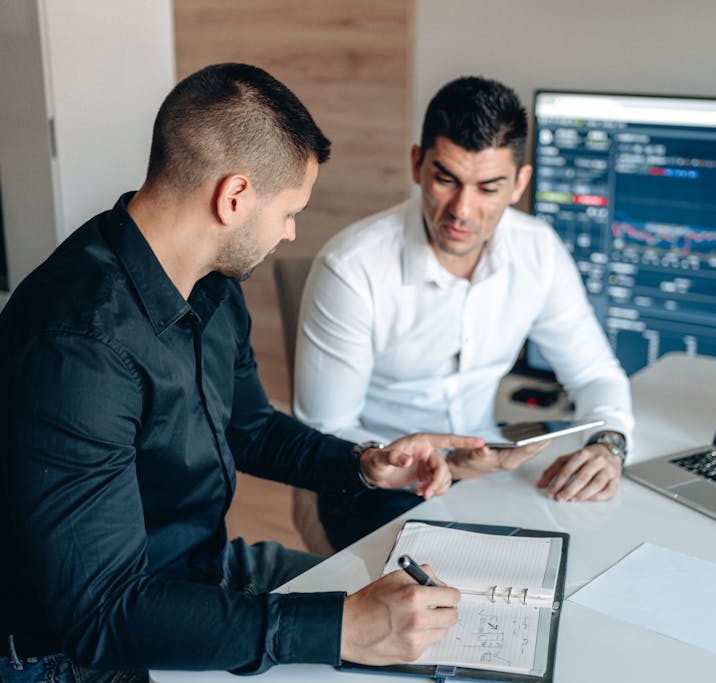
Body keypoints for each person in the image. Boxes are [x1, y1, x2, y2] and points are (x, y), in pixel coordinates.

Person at [0, 63, 484, 683]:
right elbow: (103, 616)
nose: (288, 233)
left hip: (195, 569)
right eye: (288, 211)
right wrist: (341, 627)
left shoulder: (212, 283)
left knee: (443, 647)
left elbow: (250, 428)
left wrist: (363, 463)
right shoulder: (77, 345)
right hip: (70, 648)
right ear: (233, 197)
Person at [293, 76, 634, 551]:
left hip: (484, 469)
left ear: (519, 183)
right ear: (417, 164)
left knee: (593, 543)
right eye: (445, 179)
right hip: (376, 480)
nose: (462, 211)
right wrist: (439, 463)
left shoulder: (539, 251)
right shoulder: (352, 269)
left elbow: (596, 373)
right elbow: (325, 435)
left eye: (488, 187)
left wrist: (608, 444)